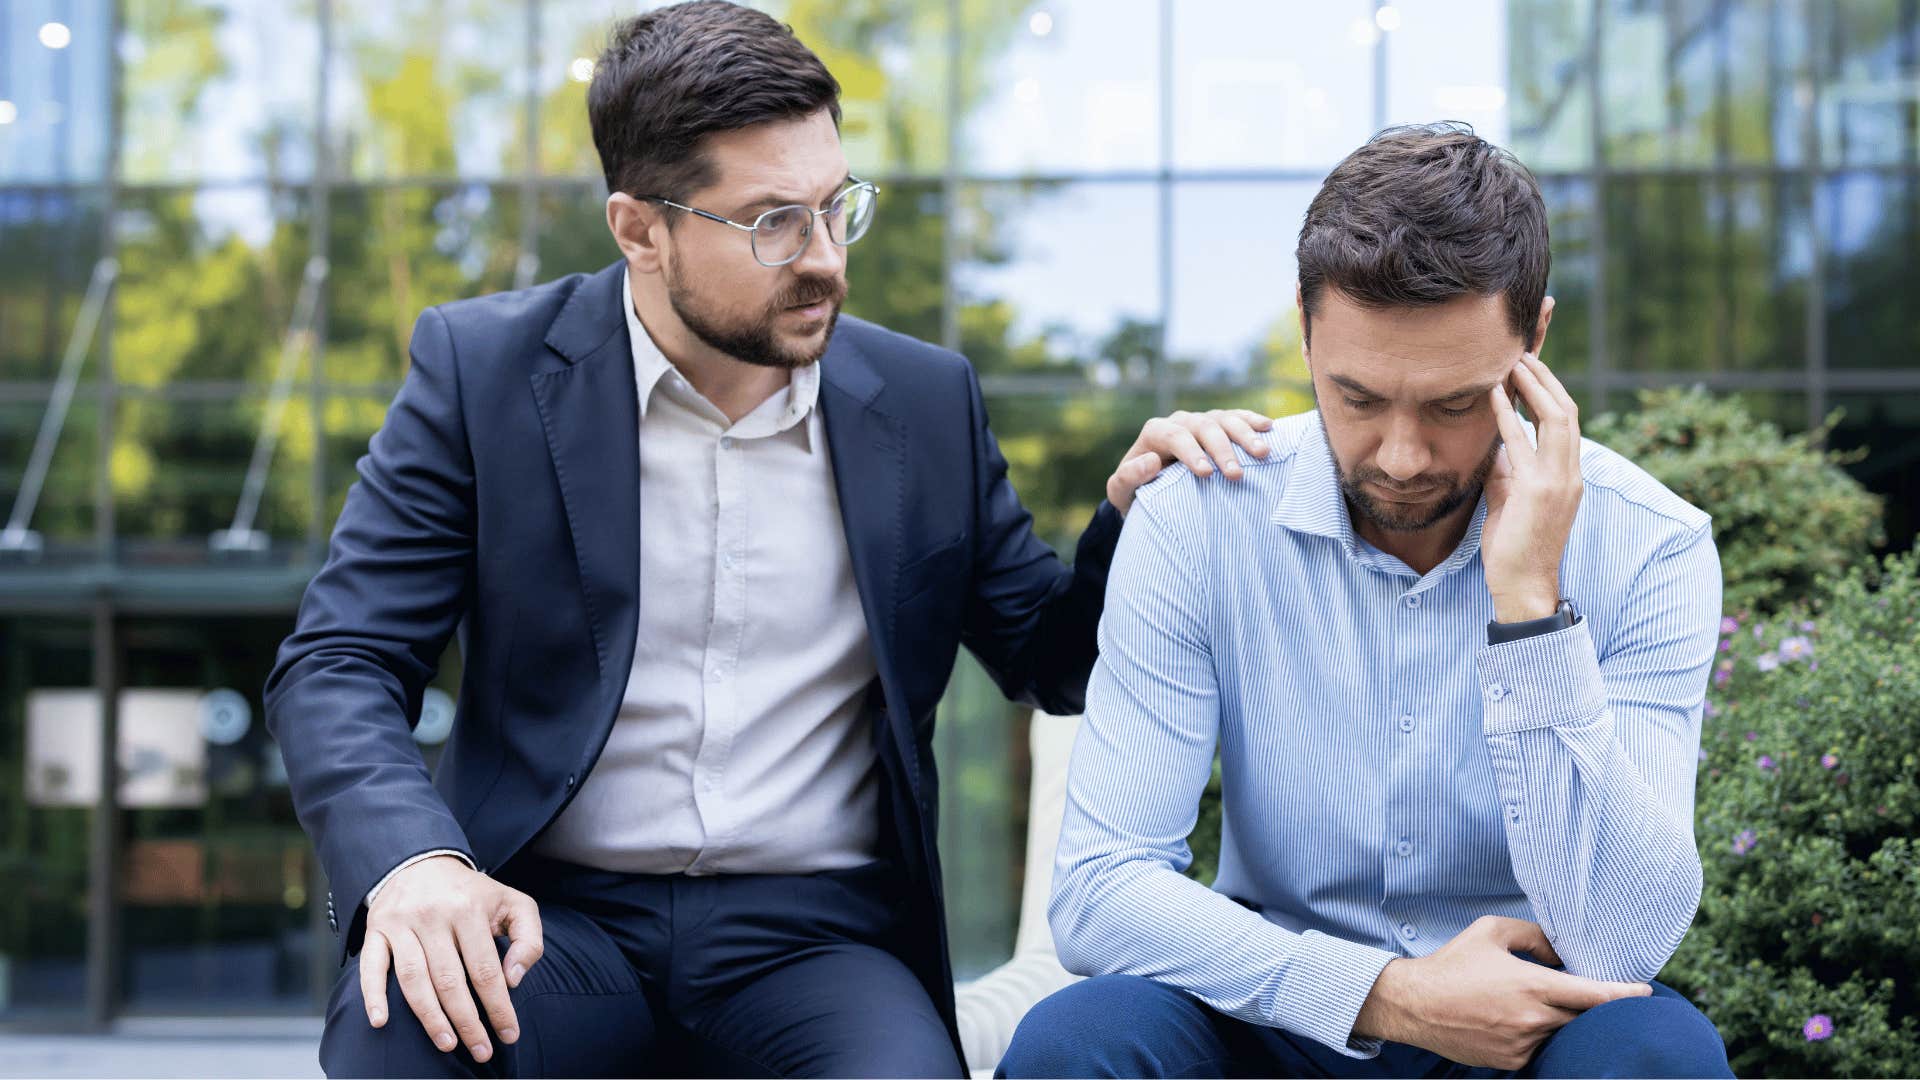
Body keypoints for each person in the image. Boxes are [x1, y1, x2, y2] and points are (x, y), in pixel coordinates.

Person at [264, 3, 1270, 1076]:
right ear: (638, 230)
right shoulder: (484, 374)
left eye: (838, 207)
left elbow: (1051, 662)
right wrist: (415, 864)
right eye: (773, 222)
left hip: (817, 939)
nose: (827, 259)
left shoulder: (925, 405)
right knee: (404, 1041)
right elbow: (340, 663)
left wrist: (1132, 518)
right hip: (550, 915)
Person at [999, 124, 1733, 1079]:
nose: (1401, 456)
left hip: (1524, 1023)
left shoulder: (1649, 546)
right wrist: (1386, 995)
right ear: (1304, 326)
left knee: (1656, 1057)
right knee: (1076, 1043)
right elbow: (1100, 889)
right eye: (1357, 397)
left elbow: (1626, 939)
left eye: (1453, 404)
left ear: (1534, 338)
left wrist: (1529, 605)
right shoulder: (1194, 520)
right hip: (1275, 1007)